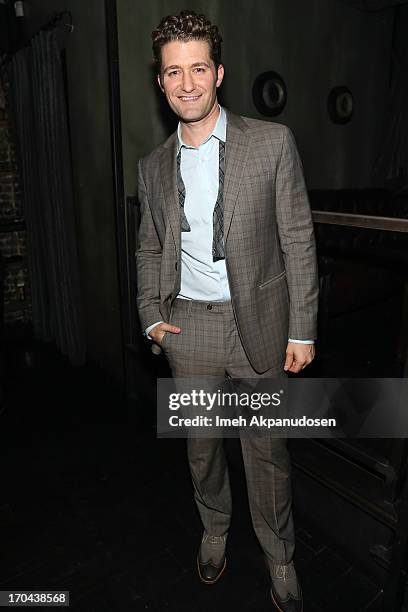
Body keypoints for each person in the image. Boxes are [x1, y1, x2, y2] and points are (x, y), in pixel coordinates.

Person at [136, 10, 319, 611]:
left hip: (261, 326)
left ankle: (280, 558)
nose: (186, 83)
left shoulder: (272, 143)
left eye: (197, 68)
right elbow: (150, 244)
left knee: (267, 454)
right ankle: (215, 530)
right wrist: (150, 315)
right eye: (172, 72)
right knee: (202, 448)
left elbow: (298, 240)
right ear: (160, 83)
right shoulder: (152, 166)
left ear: (218, 73)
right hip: (189, 330)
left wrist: (302, 328)